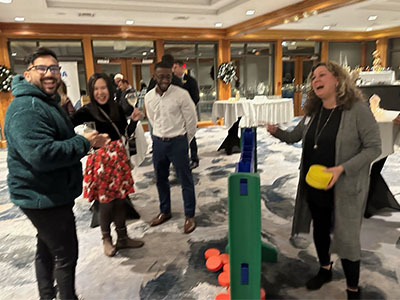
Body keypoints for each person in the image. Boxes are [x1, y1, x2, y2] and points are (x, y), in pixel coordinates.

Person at [266, 61, 381, 299]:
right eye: (313, 77)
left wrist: (342, 169)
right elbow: (295, 136)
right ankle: (325, 268)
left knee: (347, 238)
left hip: (345, 187)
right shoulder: (314, 111)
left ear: (337, 79)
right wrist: (276, 132)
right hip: (315, 183)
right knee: (319, 227)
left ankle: (352, 289)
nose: (315, 80)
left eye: (322, 75)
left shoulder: (357, 110)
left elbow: (373, 148)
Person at [4, 47, 110, 300]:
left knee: (47, 248)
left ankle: (46, 295)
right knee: (65, 254)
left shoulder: (41, 101)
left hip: (47, 192)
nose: (50, 74)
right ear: (28, 74)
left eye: (53, 68)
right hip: (42, 195)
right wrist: (83, 143)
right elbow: (41, 155)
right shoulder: (27, 108)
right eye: (42, 68)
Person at [71, 73, 144, 257]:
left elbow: (124, 133)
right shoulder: (86, 111)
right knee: (105, 203)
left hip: (118, 158)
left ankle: (123, 237)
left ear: (109, 89)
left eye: (103, 88)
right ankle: (106, 239)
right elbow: (67, 128)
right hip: (101, 162)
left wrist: (134, 121)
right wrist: (87, 140)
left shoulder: (117, 108)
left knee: (120, 200)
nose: (100, 92)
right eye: (96, 89)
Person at [144, 61, 198, 234]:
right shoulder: (149, 97)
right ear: (154, 77)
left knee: (185, 180)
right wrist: (159, 135)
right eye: (161, 76)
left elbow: (191, 121)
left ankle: (189, 215)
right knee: (161, 179)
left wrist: (185, 141)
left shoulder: (181, 95)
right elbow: (152, 119)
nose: (165, 79)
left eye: (168, 76)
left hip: (178, 142)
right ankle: (165, 210)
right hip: (158, 143)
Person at [173, 60, 200, 169]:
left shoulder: (190, 81)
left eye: (175, 67)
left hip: (188, 114)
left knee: (191, 135)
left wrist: (188, 108)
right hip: (176, 115)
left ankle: (194, 158)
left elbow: (196, 97)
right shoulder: (172, 81)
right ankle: (179, 159)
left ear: (181, 67)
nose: (173, 70)